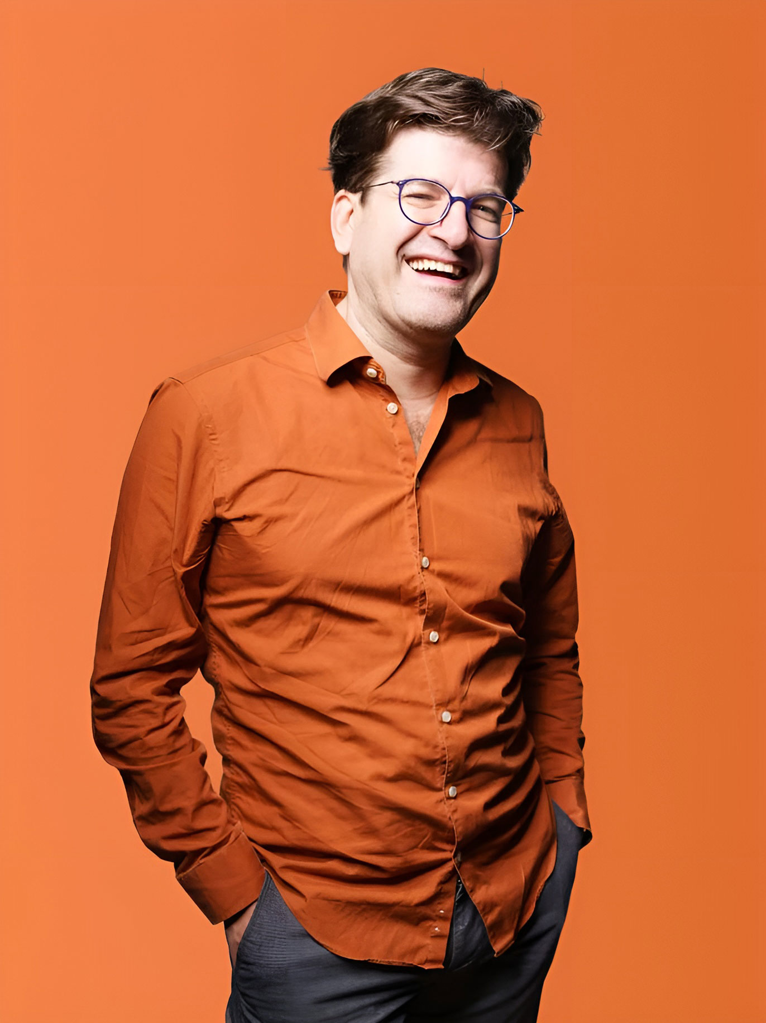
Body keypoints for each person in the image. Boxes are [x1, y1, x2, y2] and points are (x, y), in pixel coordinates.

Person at [90, 67, 592, 1023]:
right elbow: (130, 687)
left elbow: (546, 644)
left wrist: (563, 814)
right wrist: (234, 892)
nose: (454, 231)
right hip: (314, 935)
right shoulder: (204, 415)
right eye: (421, 195)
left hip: (510, 911)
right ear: (345, 217)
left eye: (485, 207)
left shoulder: (519, 420)